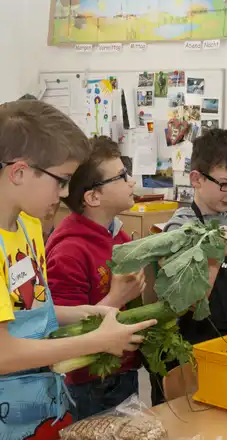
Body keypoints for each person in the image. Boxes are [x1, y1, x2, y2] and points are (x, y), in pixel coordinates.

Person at [0, 100, 156, 439]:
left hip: (40, 409)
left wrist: (87, 312)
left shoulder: (28, 227)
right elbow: (3, 353)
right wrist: (94, 340)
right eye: (62, 180)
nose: (67, 193)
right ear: (19, 173)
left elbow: (29, 311)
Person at [146, 128, 227, 406]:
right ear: (196, 179)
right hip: (193, 354)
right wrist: (214, 256)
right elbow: (185, 303)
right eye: (225, 184)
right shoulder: (179, 230)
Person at [46, 136, 146, 420]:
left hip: (123, 368)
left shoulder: (119, 235)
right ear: (93, 197)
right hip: (90, 382)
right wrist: (117, 298)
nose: (132, 181)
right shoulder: (69, 251)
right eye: (122, 176)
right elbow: (63, 335)